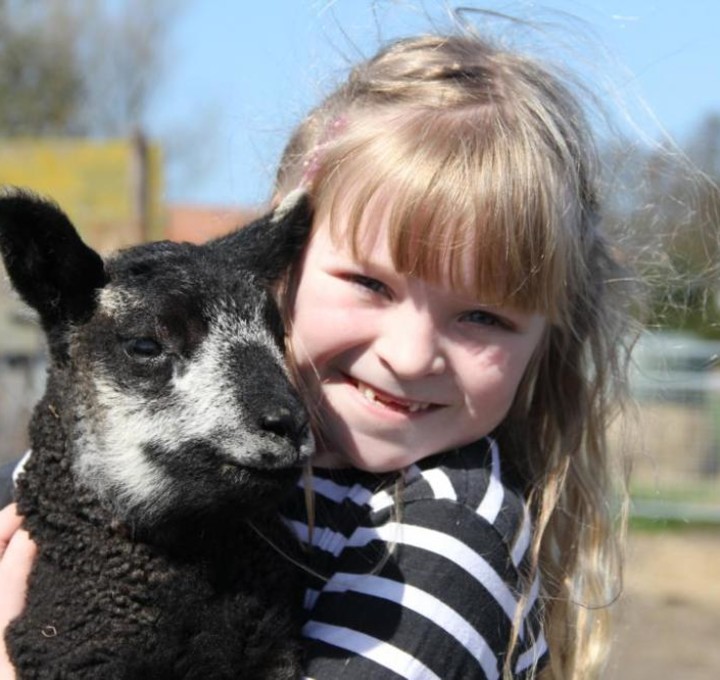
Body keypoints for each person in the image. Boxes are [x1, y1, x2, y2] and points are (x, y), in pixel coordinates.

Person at [0, 28, 636, 680]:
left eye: (483, 317)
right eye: (370, 284)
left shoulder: (447, 539)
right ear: (284, 262)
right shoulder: (235, 463)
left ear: (545, 340)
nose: (412, 355)